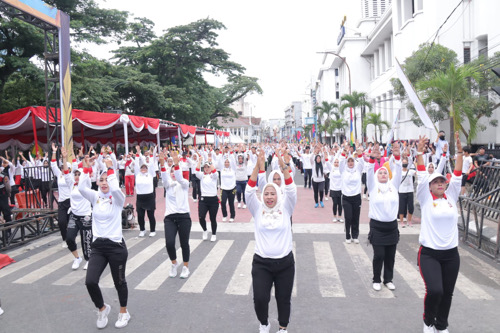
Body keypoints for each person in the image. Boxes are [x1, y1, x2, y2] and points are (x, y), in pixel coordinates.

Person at [416, 132, 463, 333]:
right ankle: (428, 321)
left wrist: (460, 152)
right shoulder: (425, 198)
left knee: (448, 293)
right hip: (429, 254)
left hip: (451, 254)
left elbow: (459, 174)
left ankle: (441, 325)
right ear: (429, 186)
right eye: (436, 182)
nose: (440, 183)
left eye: (442, 181)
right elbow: (420, 172)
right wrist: (419, 151)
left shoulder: (451, 196)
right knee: (435, 290)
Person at [246, 149, 297, 333]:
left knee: (283, 298)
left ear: (278, 194)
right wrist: (257, 167)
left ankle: (283, 327)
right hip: (262, 263)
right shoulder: (257, 208)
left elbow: (291, 189)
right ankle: (264, 323)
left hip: (285, 263)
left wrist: (283, 165)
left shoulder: (287, 207)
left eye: (272, 194)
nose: (269, 197)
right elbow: (249, 190)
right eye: (266, 194)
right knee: (260, 298)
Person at [79, 155, 130, 329]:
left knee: (119, 282)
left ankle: (124, 312)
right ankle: (102, 308)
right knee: (90, 281)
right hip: (98, 247)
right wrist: (86, 169)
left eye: (107, 179)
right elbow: (81, 187)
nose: (104, 182)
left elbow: (115, 188)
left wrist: (110, 169)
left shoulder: (118, 198)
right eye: (101, 180)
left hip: (116, 247)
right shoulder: (95, 197)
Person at [366, 142, 402, 291]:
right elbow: (369, 172)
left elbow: (398, 169)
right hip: (377, 226)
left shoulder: (394, 186)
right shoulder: (373, 187)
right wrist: (372, 159)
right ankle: (376, 279)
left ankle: (388, 279)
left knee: (390, 255)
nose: (382, 174)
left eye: (385, 173)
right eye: (380, 173)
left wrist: (397, 156)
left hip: (391, 226)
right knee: (379, 254)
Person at [59, 147, 93, 270]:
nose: (77, 176)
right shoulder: (71, 185)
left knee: (86, 240)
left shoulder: (86, 183)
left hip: (86, 216)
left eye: (79, 174)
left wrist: (85, 160)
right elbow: (66, 172)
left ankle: (88, 260)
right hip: (74, 215)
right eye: (76, 174)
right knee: (69, 238)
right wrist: (64, 157)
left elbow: (86, 171)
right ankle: (77, 258)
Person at [160, 150, 192, 279]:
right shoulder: (168, 185)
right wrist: (163, 165)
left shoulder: (184, 183)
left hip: (184, 217)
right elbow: (164, 177)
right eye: (171, 171)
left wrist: (176, 163)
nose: (173, 173)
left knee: (184, 243)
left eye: (175, 171)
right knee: (169, 243)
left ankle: (185, 267)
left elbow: (179, 177)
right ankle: (174, 263)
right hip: (170, 217)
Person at [339, 141, 365, 244]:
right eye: (349, 161)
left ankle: (355, 235)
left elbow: (362, 162)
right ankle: (347, 235)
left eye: (352, 161)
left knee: (356, 217)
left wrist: (358, 149)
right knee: (348, 217)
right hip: (346, 197)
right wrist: (344, 150)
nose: (350, 163)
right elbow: (341, 161)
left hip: (356, 197)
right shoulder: (343, 170)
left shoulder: (358, 170)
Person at [50, 143, 72, 248]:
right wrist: (54, 151)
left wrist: (65, 157)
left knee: (72, 223)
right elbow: (53, 165)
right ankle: (65, 239)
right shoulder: (59, 175)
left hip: (71, 202)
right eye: (63, 167)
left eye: (66, 167)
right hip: (62, 202)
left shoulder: (70, 177)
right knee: (62, 222)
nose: (63, 169)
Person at [134, 146, 157, 237]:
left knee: (150, 215)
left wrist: (151, 154)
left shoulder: (150, 174)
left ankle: (153, 230)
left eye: (145, 168)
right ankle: (142, 229)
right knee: (140, 215)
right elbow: (136, 164)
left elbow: (151, 164)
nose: (143, 169)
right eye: (142, 168)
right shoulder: (137, 175)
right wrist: (137, 153)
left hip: (149, 197)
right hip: (140, 197)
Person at [195, 157, 219, 242]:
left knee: (212, 218)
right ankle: (205, 230)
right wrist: (200, 161)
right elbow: (196, 171)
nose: (206, 168)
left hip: (213, 200)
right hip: (203, 200)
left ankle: (213, 234)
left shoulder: (213, 176)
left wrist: (210, 161)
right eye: (205, 167)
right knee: (201, 217)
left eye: (208, 167)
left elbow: (215, 172)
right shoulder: (202, 175)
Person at [399, 155, 416, 228]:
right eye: (403, 163)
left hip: (410, 191)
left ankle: (409, 221)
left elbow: (418, 172)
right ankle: (402, 221)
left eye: (406, 163)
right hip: (402, 191)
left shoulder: (411, 171)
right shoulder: (399, 172)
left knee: (411, 207)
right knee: (402, 207)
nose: (404, 164)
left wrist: (414, 163)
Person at [220, 156, 237, 222]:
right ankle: (224, 215)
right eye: (225, 162)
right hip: (223, 188)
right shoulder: (222, 169)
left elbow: (233, 160)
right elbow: (219, 160)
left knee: (231, 203)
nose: (227, 163)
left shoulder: (233, 169)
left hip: (232, 188)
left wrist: (231, 153)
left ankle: (232, 216)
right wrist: (222, 152)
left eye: (228, 162)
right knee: (223, 202)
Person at [329, 157, 343, 223]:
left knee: (340, 204)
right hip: (333, 189)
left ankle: (340, 217)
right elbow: (326, 162)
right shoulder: (332, 169)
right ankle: (334, 216)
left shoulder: (341, 170)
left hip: (340, 189)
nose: (336, 163)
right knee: (335, 203)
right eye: (335, 162)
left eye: (337, 162)